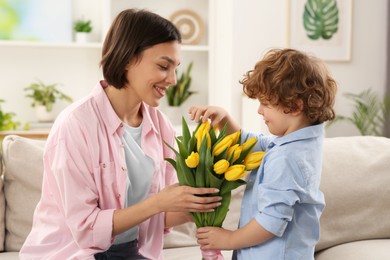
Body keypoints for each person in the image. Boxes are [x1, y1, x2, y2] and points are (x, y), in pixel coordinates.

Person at [19, 9, 221, 260]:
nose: (173, 80)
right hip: (73, 253)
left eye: (175, 68)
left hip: (131, 252)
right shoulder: (75, 125)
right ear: (127, 59)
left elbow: (159, 219)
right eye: (163, 66)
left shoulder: (161, 126)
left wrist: (200, 201)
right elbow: (86, 230)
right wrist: (158, 202)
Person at [189, 48, 337, 259]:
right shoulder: (297, 143)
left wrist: (228, 239)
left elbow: (271, 222)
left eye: (266, 103)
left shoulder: (287, 157)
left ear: (295, 106)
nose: (259, 110)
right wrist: (225, 121)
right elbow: (255, 145)